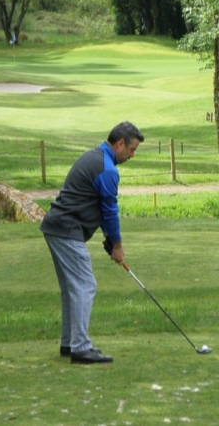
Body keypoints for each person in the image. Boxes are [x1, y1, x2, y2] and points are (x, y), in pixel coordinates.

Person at [40, 122, 144, 364]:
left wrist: (110, 239)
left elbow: (97, 206)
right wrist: (117, 245)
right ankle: (80, 347)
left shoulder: (94, 156)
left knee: (71, 288)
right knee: (85, 285)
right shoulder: (108, 170)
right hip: (66, 228)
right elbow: (110, 211)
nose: (132, 155)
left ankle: (69, 343)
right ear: (120, 144)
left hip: (56, 226)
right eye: (132, 149)